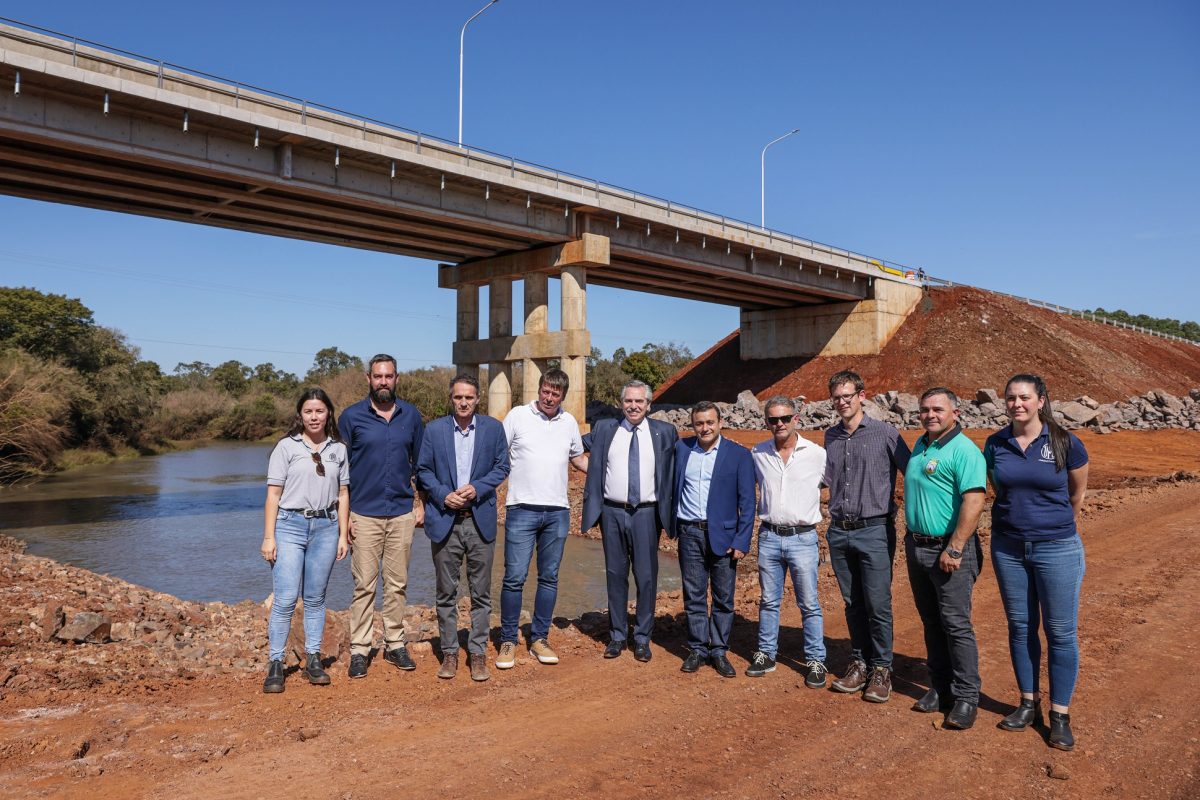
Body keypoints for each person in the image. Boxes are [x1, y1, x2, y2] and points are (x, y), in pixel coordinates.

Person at [985, 374, 1088, 750]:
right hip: (1009, 548)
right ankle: (1028, 703)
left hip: (1057, 548)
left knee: (1060, 633)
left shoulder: (1064, 442)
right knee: (1020, 627)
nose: (1017, 404)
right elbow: (998, 486)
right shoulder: (996, 443)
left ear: (1041, 400)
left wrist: (1052, 525)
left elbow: (1077, 493)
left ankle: (1059, 714)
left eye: (1024, 397)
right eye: (1011, 398)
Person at [416, 373, 510, 682]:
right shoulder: (434, 430)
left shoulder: (494, 429)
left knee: (481, 593)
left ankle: (479, 653)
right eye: (458, 397)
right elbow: (423, 471)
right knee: (446, 593)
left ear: (478, 399)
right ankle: (450, 653)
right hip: (445, 521)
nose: (464, 402)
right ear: (451, 398)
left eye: (469, 396)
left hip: (479, 519)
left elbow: (502, 466)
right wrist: (444, 495)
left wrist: (478, 488)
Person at [824, 370, 910, 703]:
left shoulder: (885, 433)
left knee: (878, 603)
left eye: (848, 395)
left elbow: (911, 472)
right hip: (839, 531)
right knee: (852, 602)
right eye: (837, 397)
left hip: (874, 529)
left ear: (862, 395)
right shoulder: (831, 437)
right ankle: (859, 663)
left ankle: (882, 669)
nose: (842, 402)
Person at [904, 388, 987, 729]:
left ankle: (966, 697)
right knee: (932, 622)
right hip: (917, 547)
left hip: (948, 550)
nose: (930, 415)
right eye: (924, 409)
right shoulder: (922, 444)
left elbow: (974, 501)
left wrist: (954, 547)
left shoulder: (964, 450)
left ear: (955, 412)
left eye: (938, 409)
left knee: (956, 625)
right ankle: (940, 688)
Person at [338, 354, 426, 679]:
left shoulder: (411, 416)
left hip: (402, 512)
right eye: (378, 376)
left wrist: (423, 505)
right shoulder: (351, 418)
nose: (383, 382)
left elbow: (421, 465)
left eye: (389, 376)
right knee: (363, 586)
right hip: (363, 514)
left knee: (397, 584)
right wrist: (343, 517)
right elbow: (340, 473)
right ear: (368, 379)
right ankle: (360, 649)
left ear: (397, 378)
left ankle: (394, 643)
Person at [498, 368, 588, 669]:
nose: (549, 398)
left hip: (557, 512)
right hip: (521, 508)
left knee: (549, 578)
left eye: (556, 394)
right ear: (539, 390)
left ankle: (539, 638)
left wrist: (608, 470)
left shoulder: (568, 422)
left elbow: (577, 458)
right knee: (514, 578)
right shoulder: (517, 416)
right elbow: (499, 453)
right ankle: (509, 640)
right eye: (546, 392)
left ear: (563, 395)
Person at [261, 388, 350, 694]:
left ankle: (313, 659)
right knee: (285, 599)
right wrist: (269, 537)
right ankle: (275, 663)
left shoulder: (339, 449)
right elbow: (273, 494)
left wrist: (342, 534)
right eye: (308, 411)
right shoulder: (286, 447)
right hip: (290, 526)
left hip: (327, 526)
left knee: (315, 598)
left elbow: (342, 493)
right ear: (300, 415)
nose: (314, 417)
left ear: (329, 414)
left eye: (320, 411)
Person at [581, 380, 677, 662]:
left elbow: (677, 469)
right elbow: (573, 447)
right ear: (621, 403)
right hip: (611, 512)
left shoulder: (665, 433)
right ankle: (617, 636)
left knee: (646, 578)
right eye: (628, 401)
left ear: (649, 405)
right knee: (615, 575)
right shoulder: (604, 429)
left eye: (639, 402)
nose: (633, 406)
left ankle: (643, 638)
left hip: (647, 513)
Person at [747, 396, 828, 686]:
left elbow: (835, 484)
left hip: (803, 538)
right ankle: (766, 654)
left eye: (784, 418)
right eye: (773, 419)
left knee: (809, 603)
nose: (779, 424)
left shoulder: (817, 454)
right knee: (769, 601)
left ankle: (816, 660)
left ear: (796, 419)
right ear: (766, 422)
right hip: (768, 536)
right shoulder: (758, 453)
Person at [672, 401, 756, 677]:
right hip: (689, 532)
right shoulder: (681, 449)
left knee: (723, 597)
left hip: (724, 535)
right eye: (699, 423)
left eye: (710, 422)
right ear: (692, 425)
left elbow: (748, 502)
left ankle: (718, 650)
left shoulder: (739, 455)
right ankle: (698, 648)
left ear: (720, 423)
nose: (704, 428)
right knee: (694, 595)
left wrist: (742, 541)